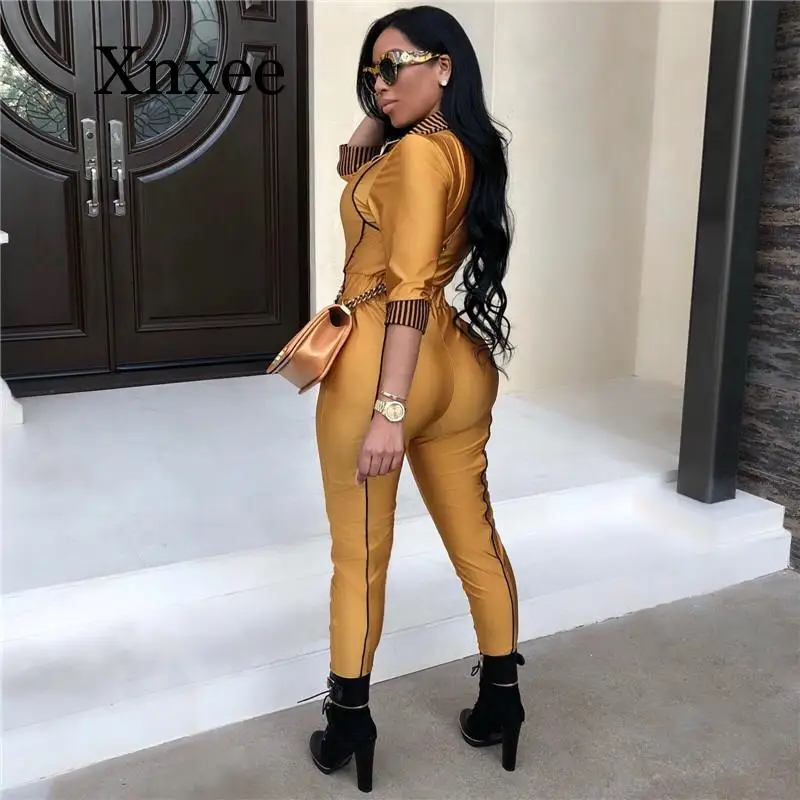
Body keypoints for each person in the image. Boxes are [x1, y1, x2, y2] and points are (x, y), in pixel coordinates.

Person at [308, 5, 524, 793]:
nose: (380, 83)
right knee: (477, 541)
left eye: (394, 65)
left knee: (359, 556)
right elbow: (352, 166)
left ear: (445, 65)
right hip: (457, 364)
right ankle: (501, 700)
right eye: (372, 72)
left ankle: (348, 721)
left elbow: (402, 289)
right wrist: (384, 106)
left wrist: (388, 411)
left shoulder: (417, 159)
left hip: (384, 362)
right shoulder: (462, 147)